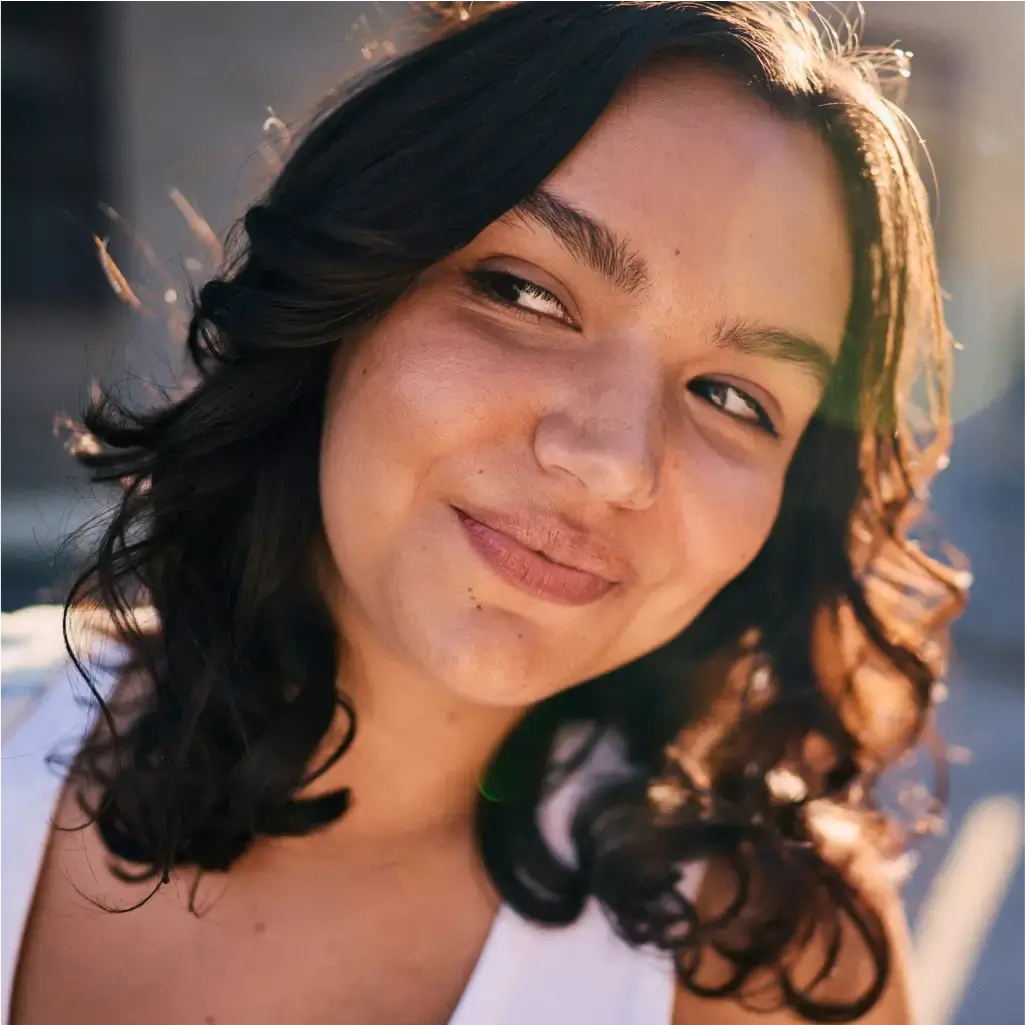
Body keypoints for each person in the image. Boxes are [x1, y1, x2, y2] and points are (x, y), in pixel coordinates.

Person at [0, 1, 967, 1022]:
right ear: (348, 287)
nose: (610, 461)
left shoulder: (774, 964)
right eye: (524, 293)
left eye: (734, 398)